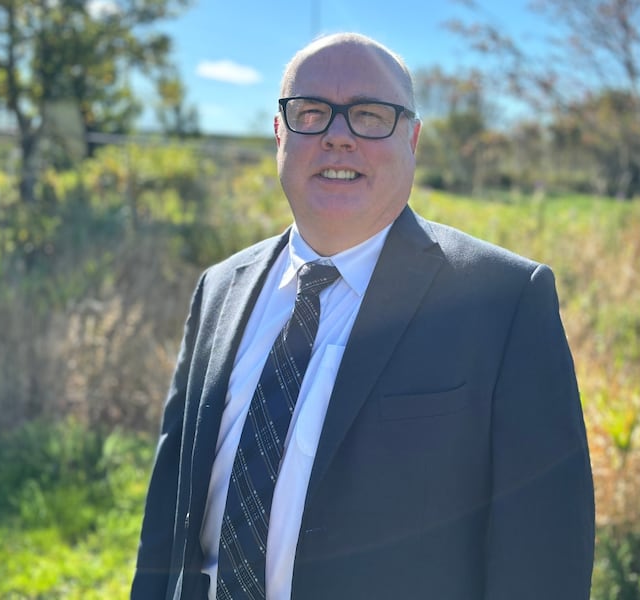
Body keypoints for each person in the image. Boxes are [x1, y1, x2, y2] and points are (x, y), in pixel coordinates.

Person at [131, 32, 595, 600]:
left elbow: (543, 555)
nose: (338, 137)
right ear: (280, 132)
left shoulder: (501, 300)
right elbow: (167, 517)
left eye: (370, 116)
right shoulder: (220, 289)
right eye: (312, 113)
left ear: (413, 138)